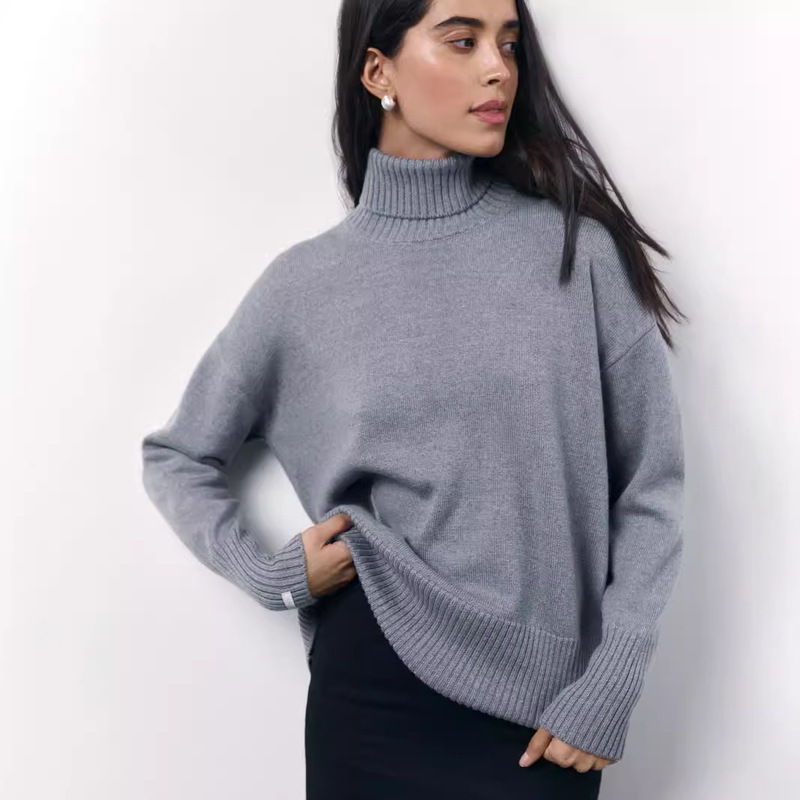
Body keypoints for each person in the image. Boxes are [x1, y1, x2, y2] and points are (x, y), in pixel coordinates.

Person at [140, 1, 687, 797]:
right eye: (462, 41)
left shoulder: (577, 254)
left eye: (508, 45)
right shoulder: (304, 288)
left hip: (546, 716)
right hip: (372, 695)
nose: (498, 69)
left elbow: (652, 489)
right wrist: (269, 573)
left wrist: (613, 681)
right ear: (378, 71)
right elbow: (176, 455)